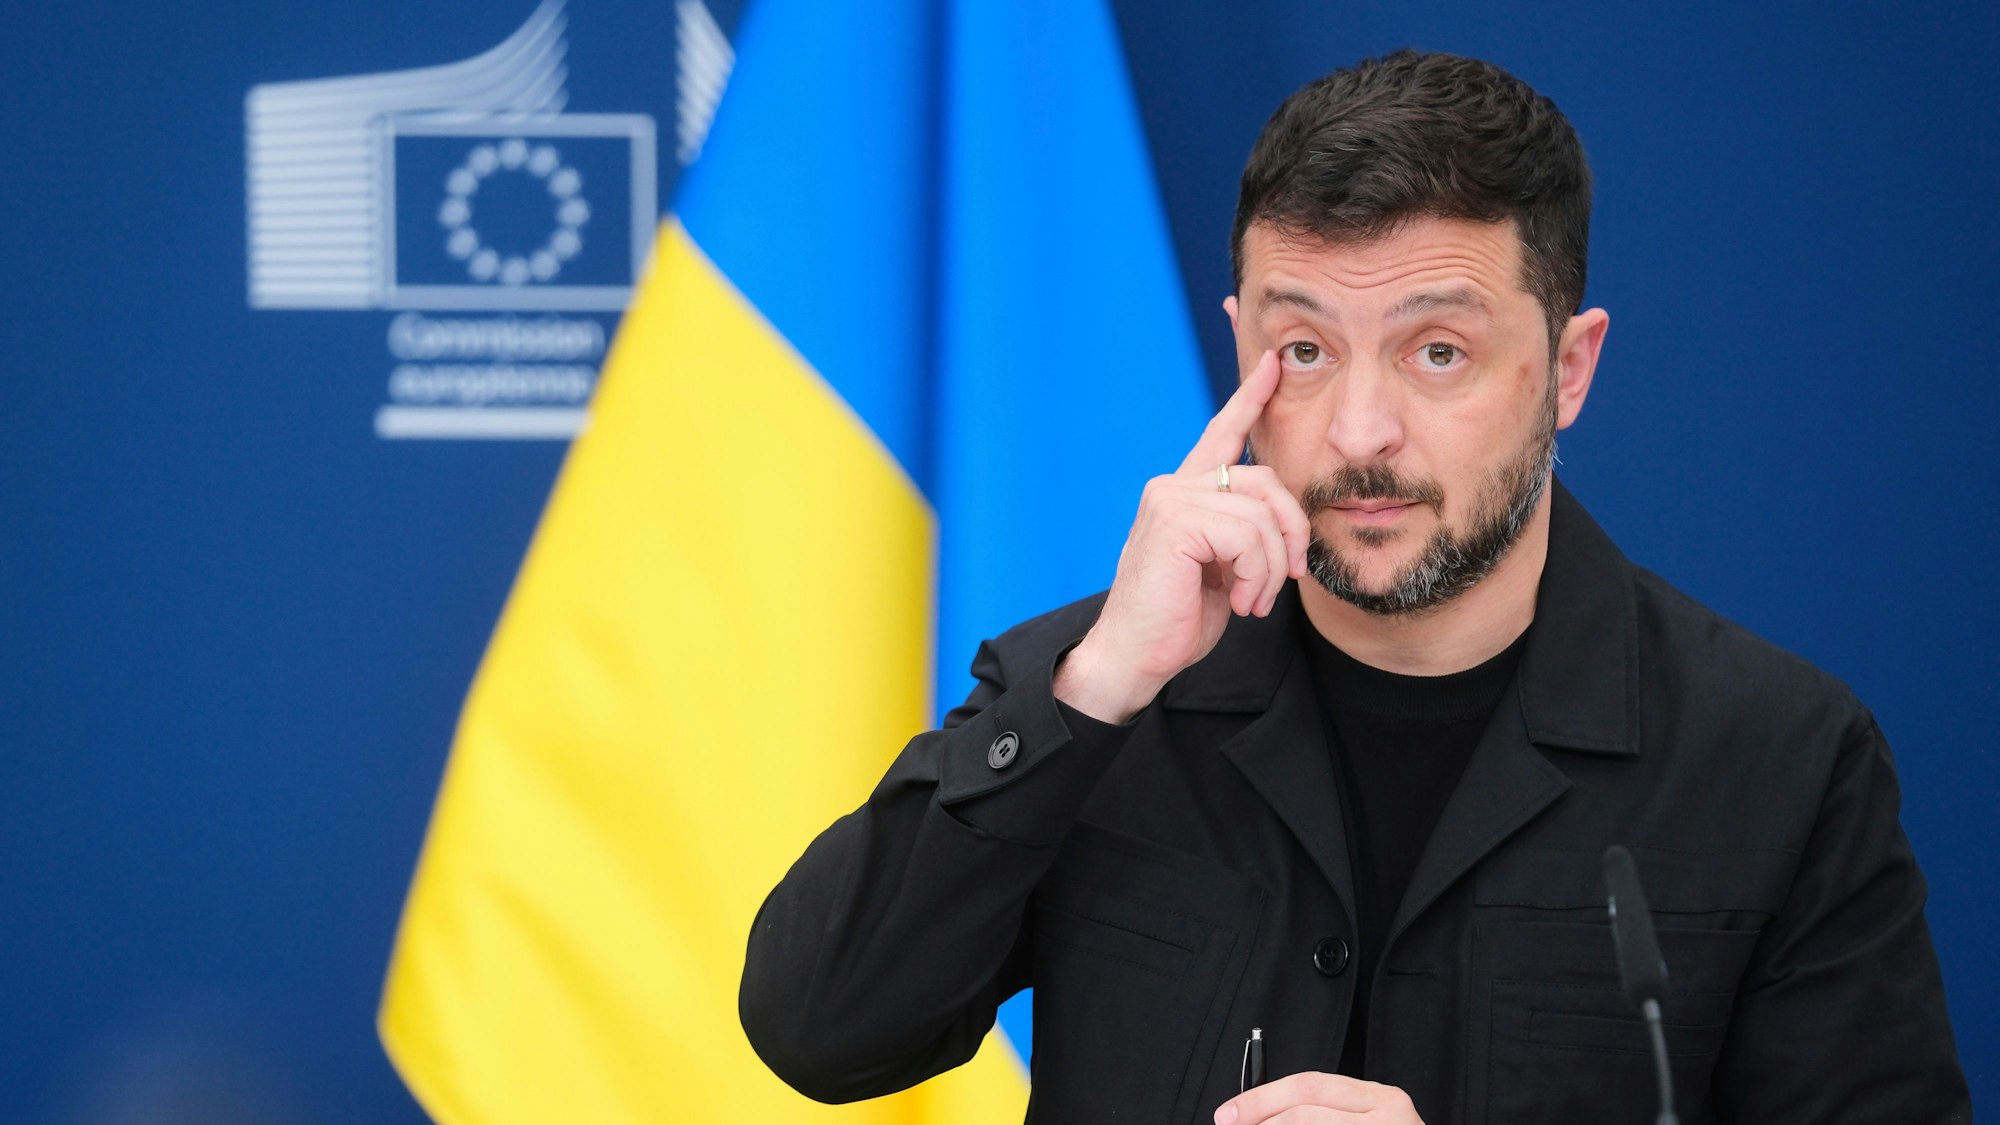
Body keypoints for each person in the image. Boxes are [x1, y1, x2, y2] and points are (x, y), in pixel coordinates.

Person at [738, 50, 1970, 1123]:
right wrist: (1097, 690)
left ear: (1567, 370)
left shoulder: (1778, 758)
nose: (1358, 430)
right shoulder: (1089, 686)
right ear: (1241, 352)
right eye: (1304, 353)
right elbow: (822, 1031)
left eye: (1437, 352)